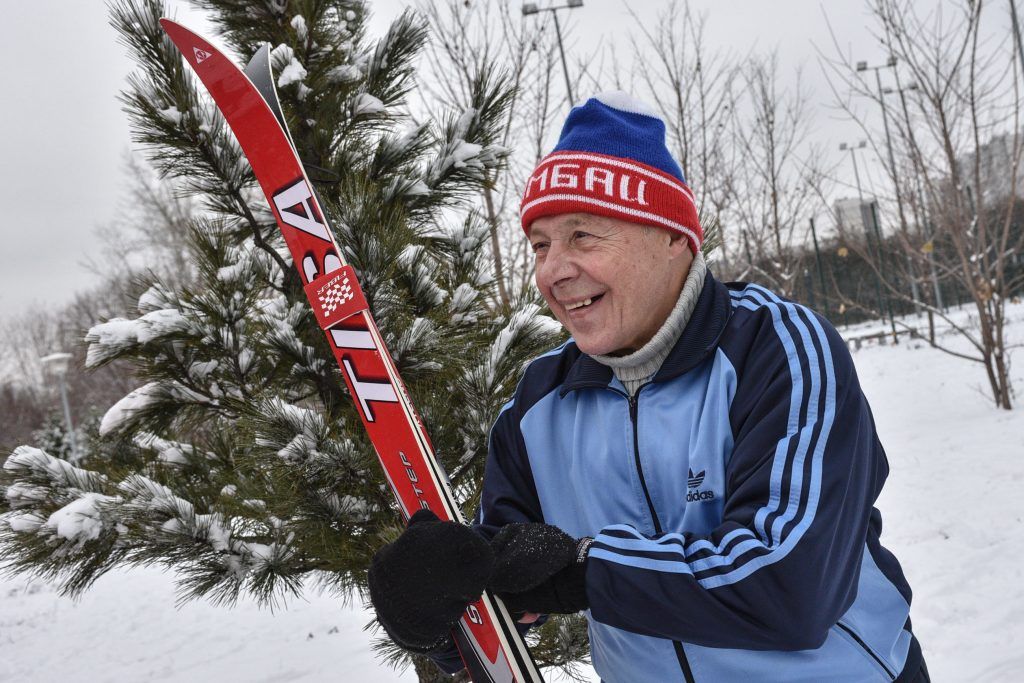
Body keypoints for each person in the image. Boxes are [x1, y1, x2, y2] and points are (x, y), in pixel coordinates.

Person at [367, 92, 929, 682]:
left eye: (583, 235)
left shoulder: (775, 350)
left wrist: (585, 568)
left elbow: (789, 586)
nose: (553, 269)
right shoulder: (538, 404)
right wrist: (434, 606)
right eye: (540, 244)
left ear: (674, 238)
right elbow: (500, 597)